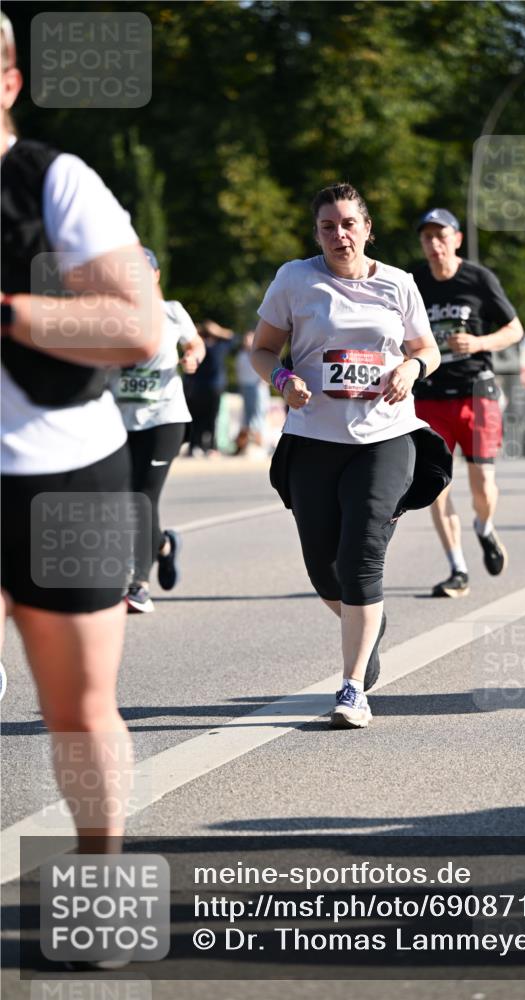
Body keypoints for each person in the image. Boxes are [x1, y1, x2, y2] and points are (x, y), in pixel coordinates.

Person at [1, 13, 162, 856]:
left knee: (76, 709)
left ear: (8, 82)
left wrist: (9, 312)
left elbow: (135, 325)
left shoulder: (53, 181)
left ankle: (100, 867)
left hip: (61, 474)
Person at [252, 183, 450, 729]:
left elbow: (425, 348)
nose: (338, 235)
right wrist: (283, 378)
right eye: (327, 226)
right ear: (316, 233)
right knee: (325, 570)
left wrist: (411, 370)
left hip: (385, 436)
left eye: (347, 224)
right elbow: (262, 348)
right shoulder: (296, 278)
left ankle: (351, 686)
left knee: (362, 553)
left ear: (367, 228)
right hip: (314, 438)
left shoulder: (399, 283)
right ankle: (368, 621)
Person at [412, 208, 523, 599]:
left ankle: (484, 527)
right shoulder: (413, 281)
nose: (434, 243)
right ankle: (457, 568)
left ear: (457, 239)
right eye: (427, 237)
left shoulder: (478, 279)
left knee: (483, 486)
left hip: (477, 392)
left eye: (441, 235)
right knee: (435, 485)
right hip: (428, 397)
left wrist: (478, 343)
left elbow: (514, 329)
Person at [110, 248, 206, 612]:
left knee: (142, 499)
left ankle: (139, 585)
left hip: (164, 419)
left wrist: (193, 356)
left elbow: (193, 342)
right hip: (121, 422)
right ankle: (164, 544)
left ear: (155, 275)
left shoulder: (171, 311)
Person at [184, 318, 234, 455]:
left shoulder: (199, 347)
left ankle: (196, 446)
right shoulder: (219, 347)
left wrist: (198, 330)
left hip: (199, 388)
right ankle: (209, 446)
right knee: (211, 418)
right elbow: (233, 338)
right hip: (212, 388)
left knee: (199, 417)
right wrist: (219, 330)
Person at [234, 329, 270, 455]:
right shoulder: (242, 355)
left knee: (258, 414)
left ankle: (258, 444)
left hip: (258, 387)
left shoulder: (259, 354)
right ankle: (244, 445)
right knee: (248, 416)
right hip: (246, 387)